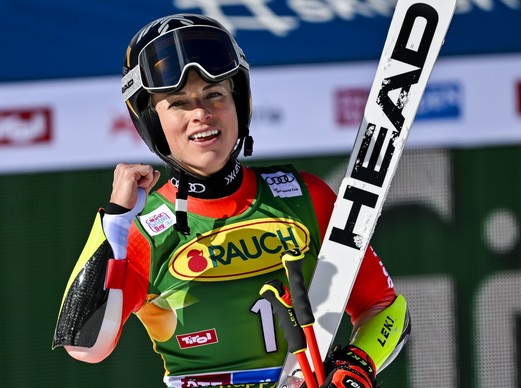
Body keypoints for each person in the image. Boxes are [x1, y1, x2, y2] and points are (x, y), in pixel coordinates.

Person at [53, 13, 410, 388]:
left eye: (214, 95)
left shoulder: (306, 197)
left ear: (239, 103)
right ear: (152, 121)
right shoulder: (142, 229)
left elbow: (387, 310)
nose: (201, 114)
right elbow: (85, 346)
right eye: (178, 103)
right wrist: (115, 222)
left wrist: (356, 364)